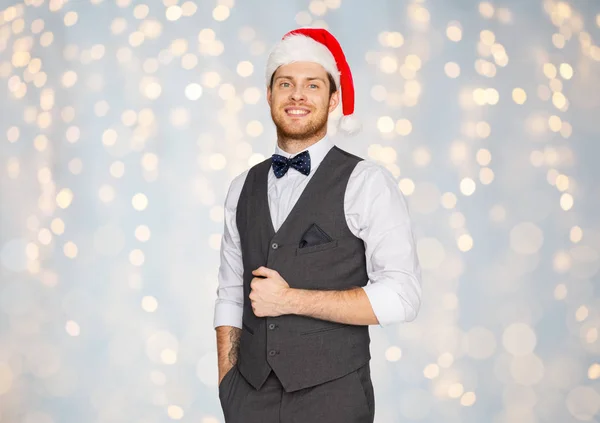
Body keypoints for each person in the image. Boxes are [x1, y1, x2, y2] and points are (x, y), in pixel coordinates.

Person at [213, 27, 422, 423]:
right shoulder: (241, 187)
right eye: (285, 83)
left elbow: (403, 296)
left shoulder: (367, 182)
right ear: (269, 95)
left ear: (333, 98)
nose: (297, 95)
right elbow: (229, 294)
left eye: (312, 84)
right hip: (249, 398)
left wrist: (291, 300)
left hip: (334, 399)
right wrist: (229, 386)